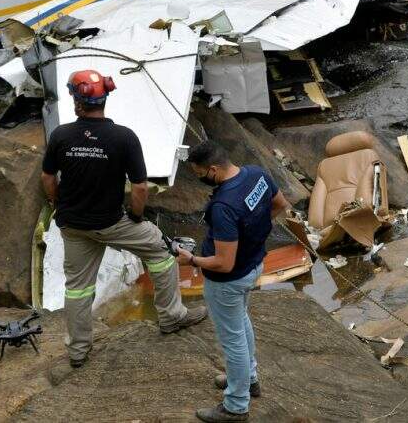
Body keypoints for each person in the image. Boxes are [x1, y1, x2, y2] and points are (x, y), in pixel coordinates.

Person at [41, 69, 207, 368]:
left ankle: (78, 349)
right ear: (104, 99)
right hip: (113, 223)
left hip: (74, 225)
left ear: (76, 102)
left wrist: (57, 203)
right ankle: (172, 316)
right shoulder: (124, 137)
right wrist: (136, 216)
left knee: (77, 287)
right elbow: (140, 187)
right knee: (161, 251)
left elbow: (48, 177)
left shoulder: (61, 135)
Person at [176, 141, 290, 423]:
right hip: (254, 264)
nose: (198, 177)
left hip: (228, 279)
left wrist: (190, 260)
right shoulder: (257, 174)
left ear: (213, 170)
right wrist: (252, 231)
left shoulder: (224, 206)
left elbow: (223, 262)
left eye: (199, 172)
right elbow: (281, 204)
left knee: (233, 340)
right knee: (241, 321)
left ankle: (236, 405)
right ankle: (249, 379)